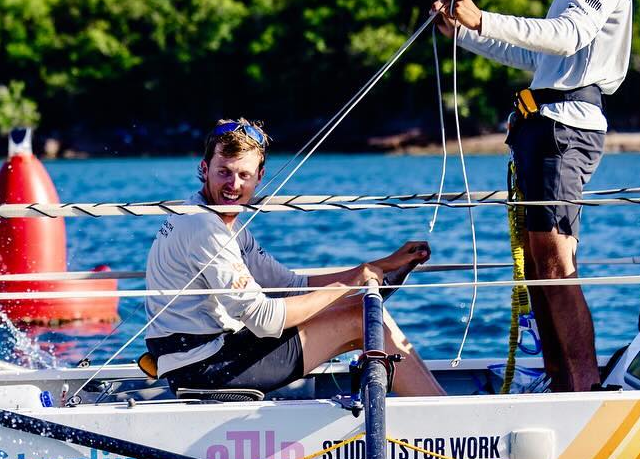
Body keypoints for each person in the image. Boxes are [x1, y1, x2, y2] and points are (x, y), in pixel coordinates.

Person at [432, 0, 632, 393]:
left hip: (565, 129)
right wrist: (467, 33)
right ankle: (561, 385)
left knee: (554, 260)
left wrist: (484, 16)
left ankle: (582, 391)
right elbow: (543, 58)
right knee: (542, 264)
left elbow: (566, 36)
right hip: (546, 126)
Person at [144, 120, 445, 397]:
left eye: (244, 175)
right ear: (205, 167)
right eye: (224, 171)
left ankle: (442, 413)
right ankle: (452, 427)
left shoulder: (217, 219)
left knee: (358, 310)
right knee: (361, 318)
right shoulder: (205, 227)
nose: (233, 185)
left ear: (259, 177)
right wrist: (349, 283)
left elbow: (290, 284)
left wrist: (378, 267)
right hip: (202, 369)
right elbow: (263, 320)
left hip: (206, 355)